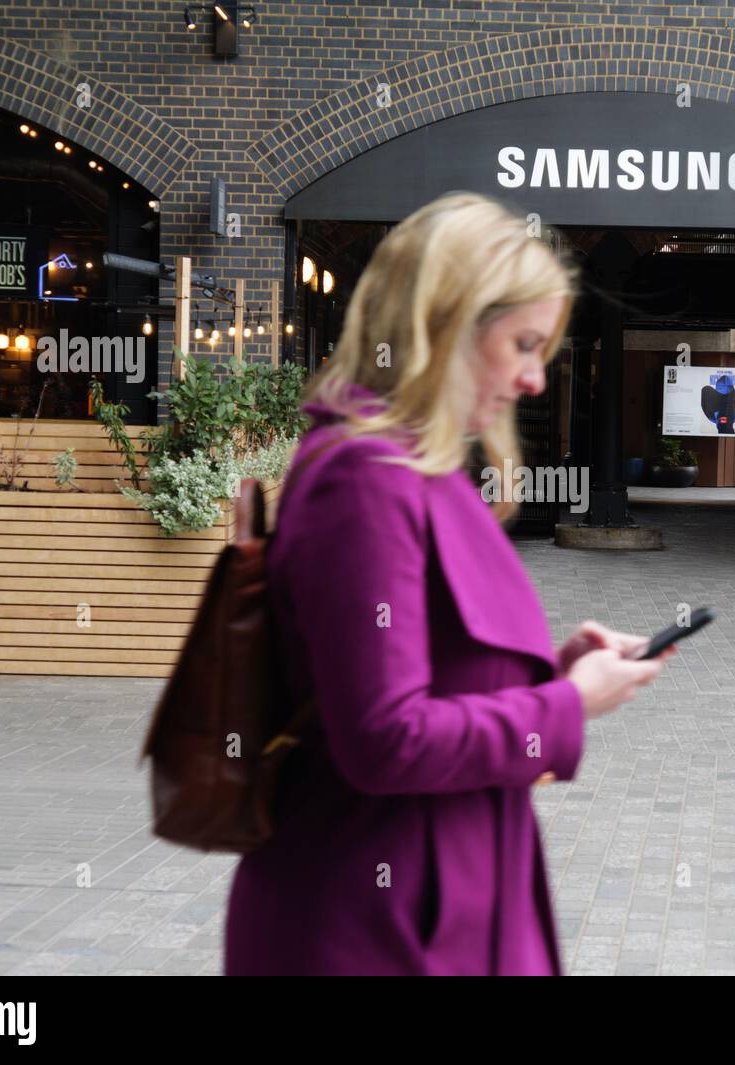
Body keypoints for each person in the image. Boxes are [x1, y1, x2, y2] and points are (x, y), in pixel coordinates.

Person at [223, 191, 674, 976]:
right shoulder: (366, 479)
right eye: (525, 343)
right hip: (380, 926)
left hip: (435, 902)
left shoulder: (413, 467)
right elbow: (384, 739)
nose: (537, 379)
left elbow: (423, 667)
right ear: (445, 324)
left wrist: (549, 672)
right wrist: (565, 704)